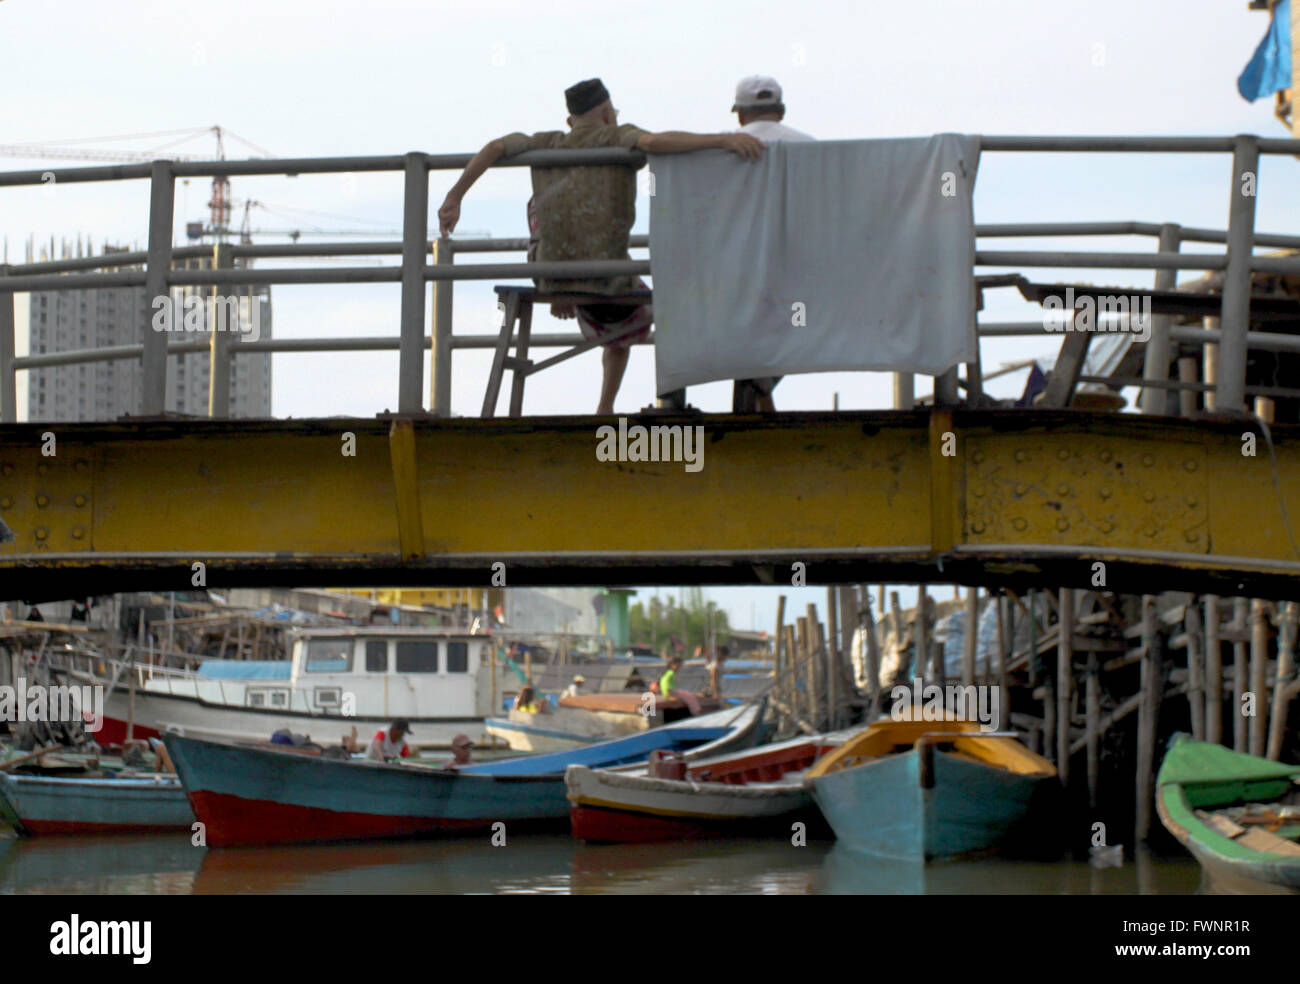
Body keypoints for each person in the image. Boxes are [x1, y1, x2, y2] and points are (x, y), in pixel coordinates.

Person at [437, 77, 765, 415]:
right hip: (607, 280)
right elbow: (653, 141)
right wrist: (723, 140)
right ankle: (648, 401)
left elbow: (494, 147)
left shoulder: (546, 142)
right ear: (608, 113)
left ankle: (566, 300)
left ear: (570, 121)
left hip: (550, 273)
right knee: (667, 303)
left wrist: (454, 196)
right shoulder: (616, 137)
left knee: (549, 215)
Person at [730, 75, 814, 414]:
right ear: (781, 110)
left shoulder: (722, 146)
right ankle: (764, 387)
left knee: (744, 331)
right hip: (799, 265)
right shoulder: (812, 146)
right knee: (799, 324)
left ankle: (759, 387)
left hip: (738, 267)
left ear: (740, 114)